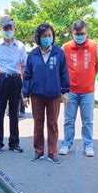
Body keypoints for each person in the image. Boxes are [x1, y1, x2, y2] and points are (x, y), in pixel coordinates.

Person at [23, 23, 70, 164]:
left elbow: (64, 73)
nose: (47, 38)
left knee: (52, 124)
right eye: (44, 36)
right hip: (36, 94)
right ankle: (38, 151)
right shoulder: (33, 54)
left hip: (54, 94)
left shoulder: (59, 53)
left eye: (49, 36)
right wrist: (25, 94)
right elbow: (27, 75)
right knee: (38, 123)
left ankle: (52, 153)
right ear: (39, 38)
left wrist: (65, 91)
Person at [59, 20, 98, 157]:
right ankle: (67, 144)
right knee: (68, 120)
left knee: (87, 121)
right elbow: (61, 68)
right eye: (77, 34)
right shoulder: (65, 47)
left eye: (82, 33)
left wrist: (90, 77)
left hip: (88, 91)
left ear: (86, 32)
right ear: (72, 33)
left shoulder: (94, 46)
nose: (79, 36)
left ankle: (88, 145)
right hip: (71, 91)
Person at [0, 16, 27, 154]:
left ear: (14, 29)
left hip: (15, 80)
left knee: (14, 113)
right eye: (5, 28)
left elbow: (24, 65)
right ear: (1, 30)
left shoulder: (21, 46)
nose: (8, 30)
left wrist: (23, 84)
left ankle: (14, 143)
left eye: (10, 28)